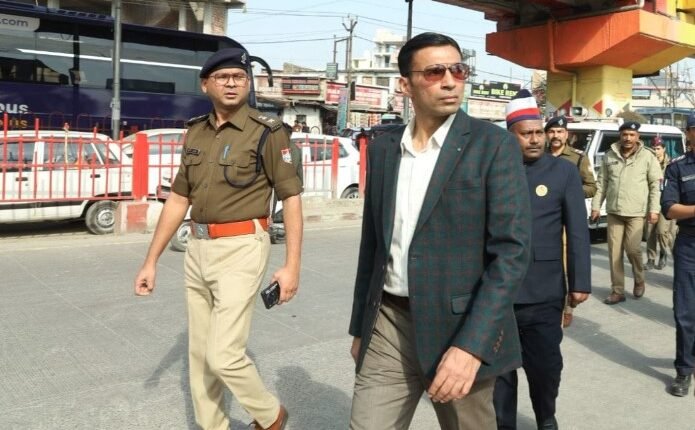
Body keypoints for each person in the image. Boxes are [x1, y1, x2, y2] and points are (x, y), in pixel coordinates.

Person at [348, 32, 532, 429]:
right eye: (435, 72)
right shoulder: (384, 148)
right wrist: (361, 327)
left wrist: (472, 346)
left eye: (458, 70)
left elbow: (512, 253)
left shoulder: (493, 146)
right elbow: (373, 246)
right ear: (405, 84)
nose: (450, 81)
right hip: (389, 323)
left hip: (459, 326)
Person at [133, 47, 303, 430]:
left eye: (239, 77)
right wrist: (151, 261)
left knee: (224, 355)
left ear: (248, 84)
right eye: (222, 77)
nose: (231, 83)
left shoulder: (268, 132)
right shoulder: (196, 131)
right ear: (205, 84)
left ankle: (271, 416)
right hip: (197, 248)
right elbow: (179, 198)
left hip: (242, 247)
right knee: (200, 356)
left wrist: (291, 266)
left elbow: (291, 199)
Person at [494, 92, 591, 430]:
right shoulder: (494, 170)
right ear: (511, 135)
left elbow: (577, 230)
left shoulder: (563, 172)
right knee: (500, 374)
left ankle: (545, 417)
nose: (536, 139)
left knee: (546, 368)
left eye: (539, 132)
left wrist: (580, 281)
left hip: (544, 291)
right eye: (526, 134)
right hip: (498, 293)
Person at [591, 121, 662, 304]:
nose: (628, 138)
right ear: (620, 136)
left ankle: (639, 279)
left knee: (632, 249)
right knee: (614, 253)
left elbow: (655, 186)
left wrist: (654, 209)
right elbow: (602, 183)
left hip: (636, 213)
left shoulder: (647, 156)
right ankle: (617, 290)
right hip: (614, 211)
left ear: (638, 137)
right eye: (625, 134)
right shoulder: (610, 155)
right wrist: (596, 206)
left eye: (632, 135)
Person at [545, 115, 596, 328]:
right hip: (545, 219)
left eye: (560, 132)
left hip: (568, 219)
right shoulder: (539, 155)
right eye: (552, 132)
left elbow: (591, 187)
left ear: (567, 135)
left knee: (567, 265)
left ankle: (567, 307)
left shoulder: (577, 158)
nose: (555, 136)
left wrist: (568, 192)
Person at [661, 113, 695, 397]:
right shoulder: (677, 167)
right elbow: (670, 209)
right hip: (689, 247)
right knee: (685, 313)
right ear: (689, 133)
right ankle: (684, 370)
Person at [645, 136, 675, 270]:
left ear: (664, 149)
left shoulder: (672, 164)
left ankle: (663, 252)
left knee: (663, 232)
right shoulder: (648, 163)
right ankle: (651, 259)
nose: (655, 151)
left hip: (666, 202)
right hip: (651, 201)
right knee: (650, 232)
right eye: (653, 148)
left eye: (658, 148)